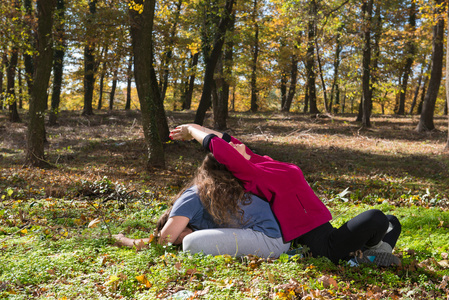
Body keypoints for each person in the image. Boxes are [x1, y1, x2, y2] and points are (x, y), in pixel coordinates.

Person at [169, 124, 402, 267]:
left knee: (393, 221)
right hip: (318, 243)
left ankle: (366, 255)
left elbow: (226, 139)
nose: (234, 145)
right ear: (231, 162)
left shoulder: (259, 162)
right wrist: (192, 132)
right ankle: (365, 255)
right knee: (377, 219)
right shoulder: (250, 174)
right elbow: (218, 146)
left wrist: (196, 125)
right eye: (229, 150)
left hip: (325, 229)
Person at [114, 152, 291, 259]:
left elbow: (162, 242)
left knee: (191, 243)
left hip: (270, 240)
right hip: (282, 238)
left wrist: (124, 240)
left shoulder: (191, 197)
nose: (177, 240)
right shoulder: (213, 191)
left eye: (177, 234)